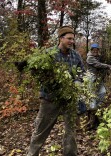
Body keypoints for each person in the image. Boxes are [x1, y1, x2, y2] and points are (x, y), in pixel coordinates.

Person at [27, 26, 85, 156]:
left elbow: (82, 73)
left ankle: (70, 154)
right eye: (69, 39)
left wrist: (78, 81)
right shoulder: (48, 54)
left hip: (69, 99)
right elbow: (39, 74)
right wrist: (52, 82)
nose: (71, 41)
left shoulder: (76, 56)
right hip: (49, 98)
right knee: (41, 130)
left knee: (71, 131)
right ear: (61, 38)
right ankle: (32, 154)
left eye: (73, 39)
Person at [85, 43, 111, 130]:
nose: (96, 51)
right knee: (92, 97)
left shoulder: (97, 57)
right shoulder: (90, 58)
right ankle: (91, 122)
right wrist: (108, 66)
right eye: (94, 50)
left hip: (98, 79)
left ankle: (97, 114)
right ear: (91, 50)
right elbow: (98, 65)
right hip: (91, 79)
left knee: (103, 92)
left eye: (97, 50)